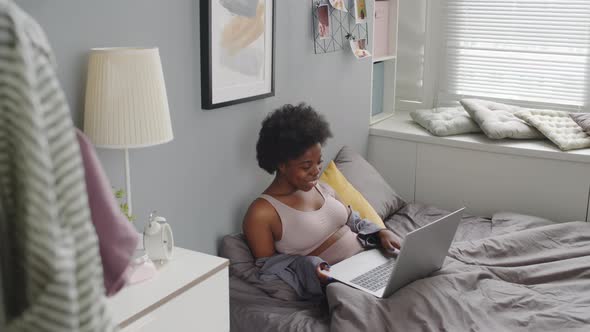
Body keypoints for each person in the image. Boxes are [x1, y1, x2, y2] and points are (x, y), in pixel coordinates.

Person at [242, 104, 400, 287]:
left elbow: (353, 220)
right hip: (337, 281)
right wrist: (311, 267)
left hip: (370, 260)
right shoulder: (262, 212)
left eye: (319, 162)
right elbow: (269, 267)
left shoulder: (322, 187)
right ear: (281, 165)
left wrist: (382, 232)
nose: (316, 171)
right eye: (306, 166)